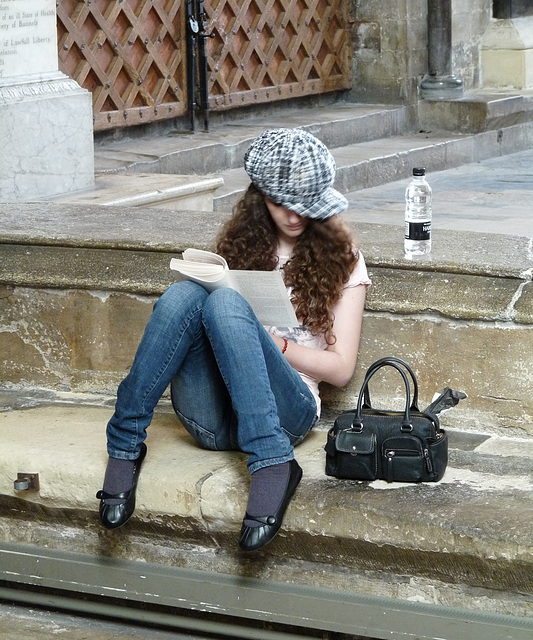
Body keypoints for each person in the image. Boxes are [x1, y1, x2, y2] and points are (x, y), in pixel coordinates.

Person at [96, 128, 371, 552]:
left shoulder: (344, 256)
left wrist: (275, 344)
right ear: (260, 196)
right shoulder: (243, 244)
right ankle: (125, 443)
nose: (295, 217)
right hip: (213, 417)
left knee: (226, 305)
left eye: (306, 206)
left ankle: (273, 463)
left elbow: (341, 369)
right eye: (282, 203)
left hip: (286, 416)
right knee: (185, 294)